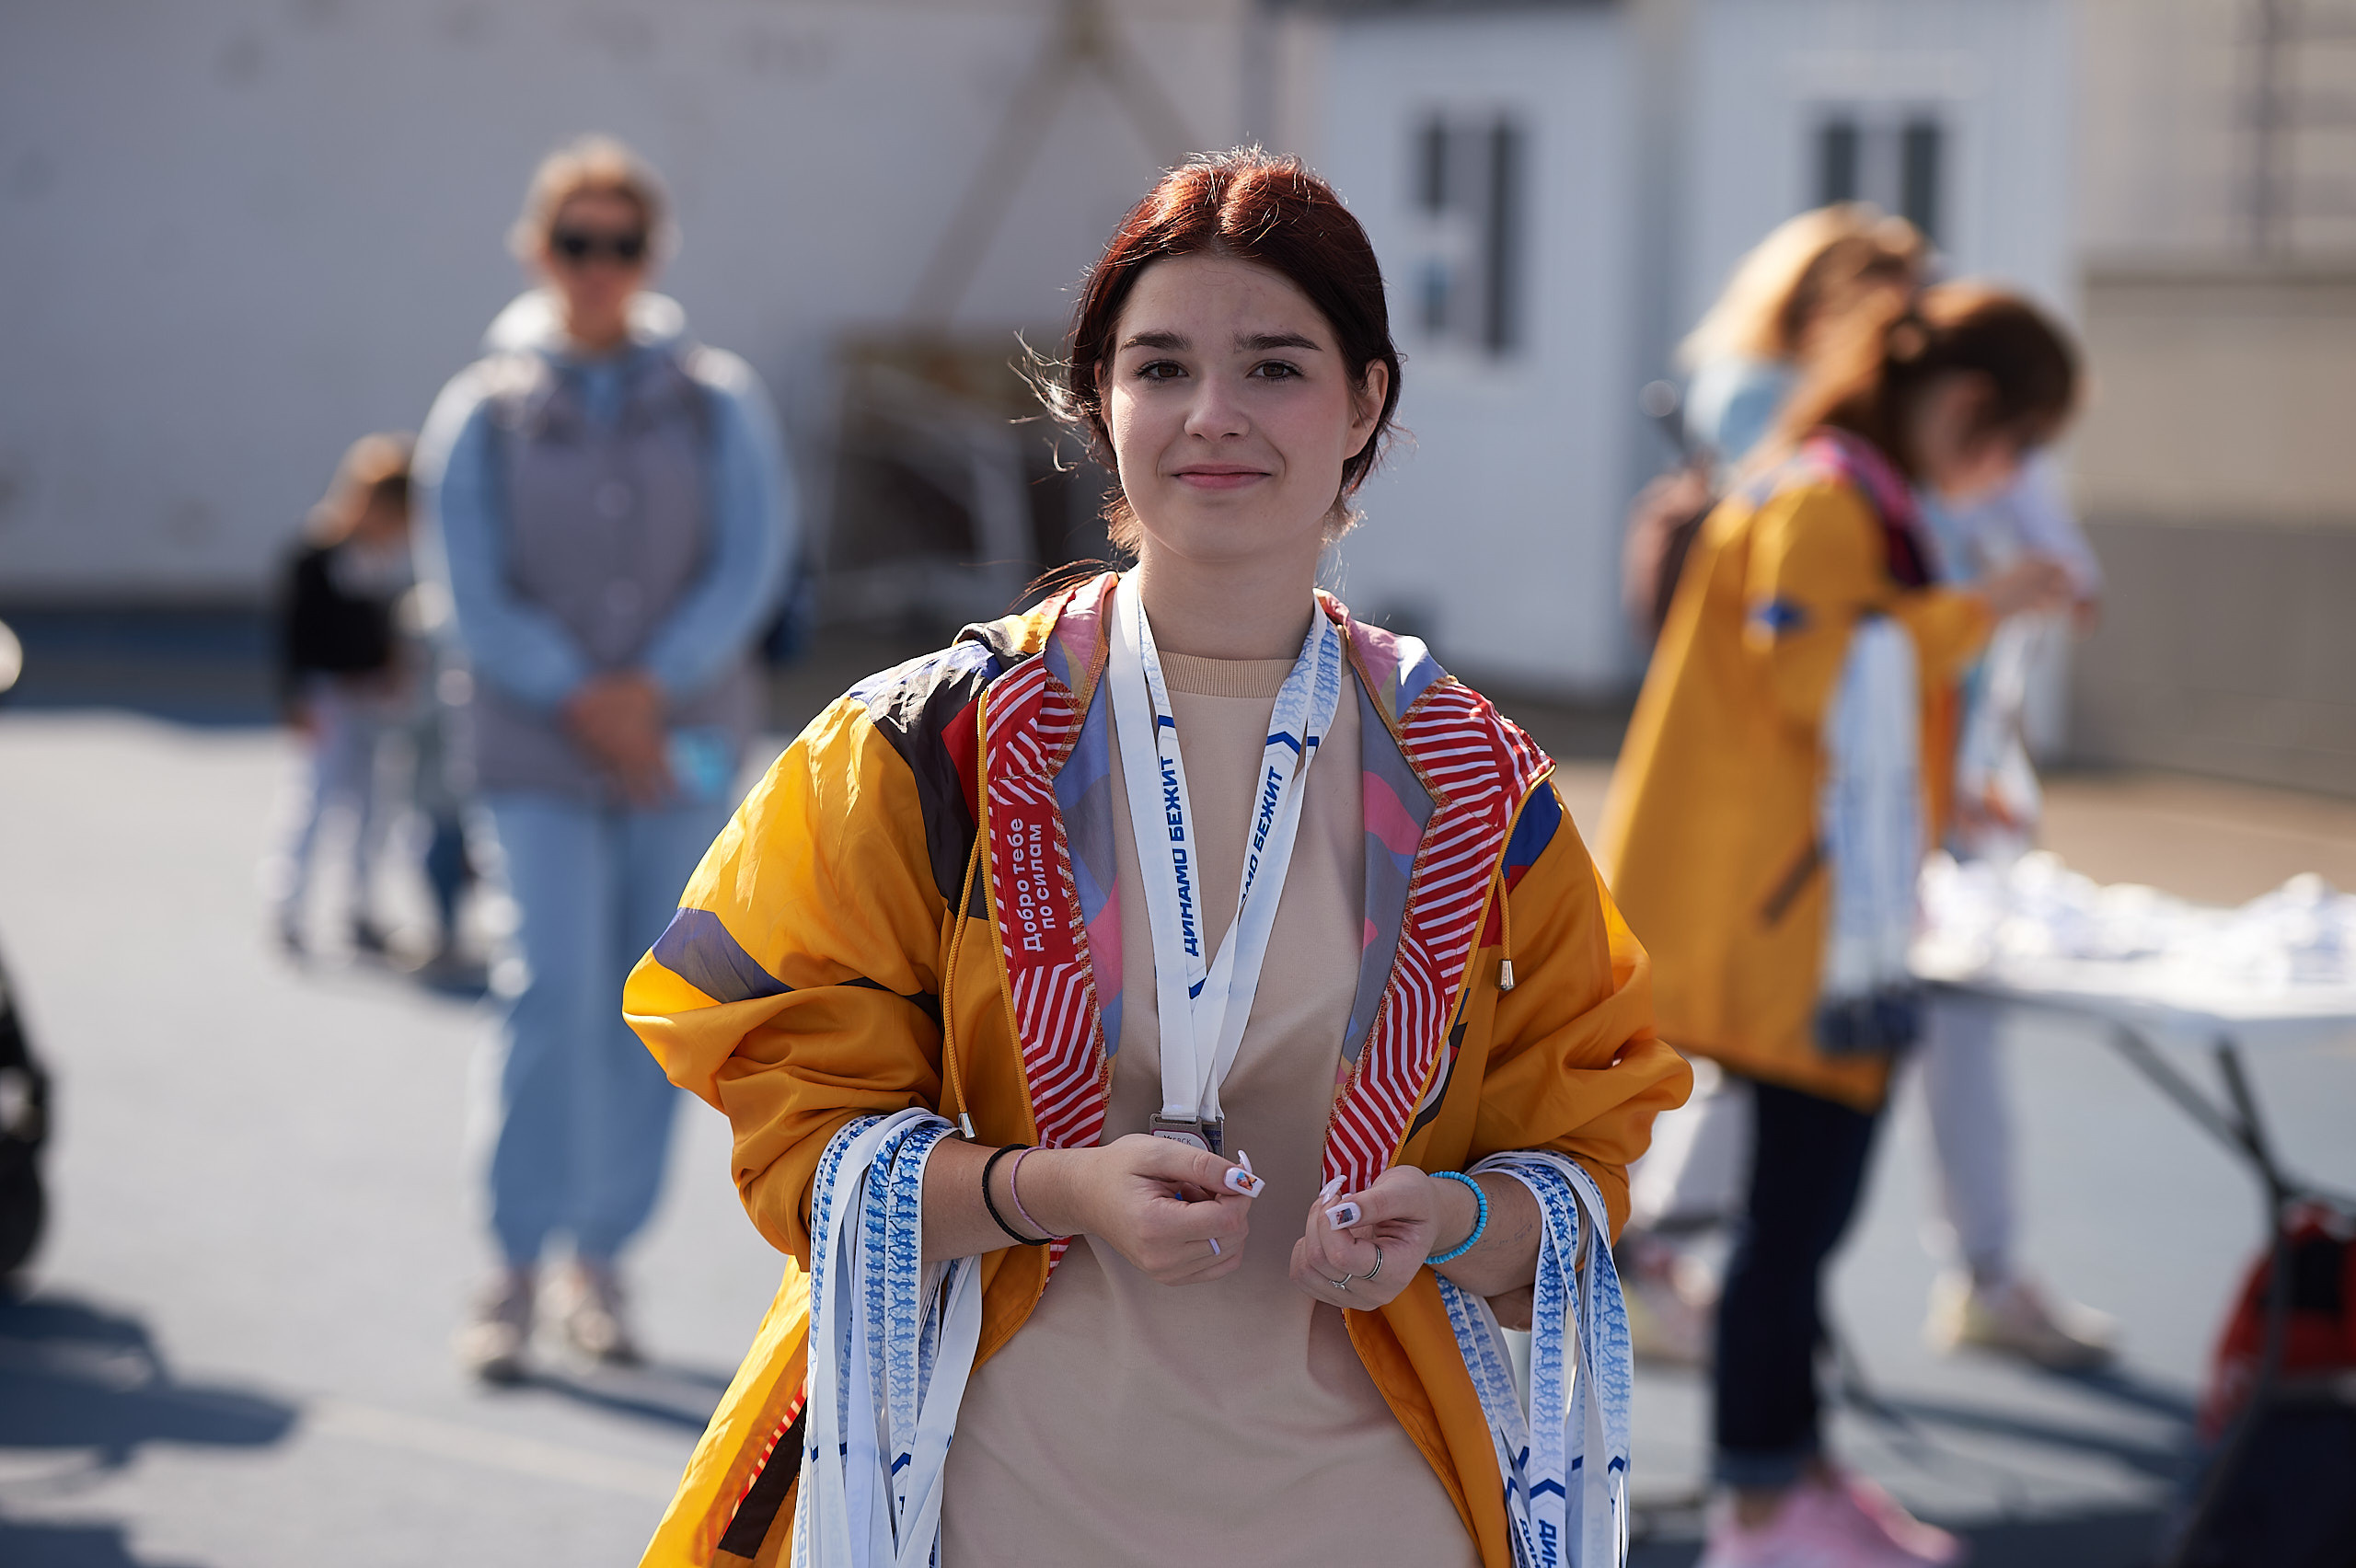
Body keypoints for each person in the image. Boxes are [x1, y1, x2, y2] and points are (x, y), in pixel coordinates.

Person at [623, 150, 1690, 1567]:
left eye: (1274, 367)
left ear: (1368, 399)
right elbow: (796, 1131)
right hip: (990, 1493)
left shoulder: (1475, 785)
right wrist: (1047, 1193)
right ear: (1098, 404)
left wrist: (1448, 1215)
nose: (1213, 418)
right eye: (1163, 366)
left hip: (1372, 1512)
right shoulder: (920, 751)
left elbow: (1581, 1156)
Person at [1599, 282, 2084, 1566]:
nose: (2013, 475)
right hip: (1788, 927)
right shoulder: (1824, 498)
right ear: (1968, 408)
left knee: (1794, 1221)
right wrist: (1988, 606)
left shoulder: (1820, 487)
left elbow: (1838, 689)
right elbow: (1821, 676)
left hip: (1792, 908)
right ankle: (1764, 1505)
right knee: (1792, 1228)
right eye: (2016, 444)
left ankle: (1789, 1475)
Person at [414, 135, 792, 1381]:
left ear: (650, 256)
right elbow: (471, 592)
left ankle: (600, 1258)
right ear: (537, 251)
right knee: (552, 988)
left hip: (676, 752)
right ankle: (511, 1264)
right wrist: (590, 696)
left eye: (619, 244)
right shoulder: (482, 412)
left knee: (654, 1010)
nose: (597, 267)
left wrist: (653, 687)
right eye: (575, 242)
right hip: (535, 753)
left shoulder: (716, 398)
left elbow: (750, 562)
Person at [266, 432, 416, 958]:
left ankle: (359, 910)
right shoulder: (315, 556)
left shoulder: (382, 562)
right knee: (316, 801)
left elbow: (383, 630)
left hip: (371, 697)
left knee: (376, 807)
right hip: (327, 695)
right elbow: (294, 635)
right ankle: (286, 911)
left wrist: (391, 667)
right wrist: (296, 699)